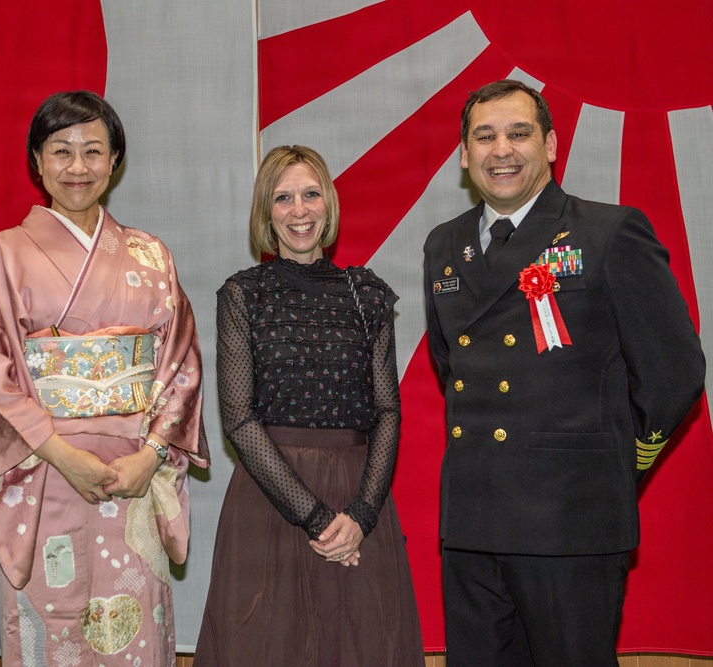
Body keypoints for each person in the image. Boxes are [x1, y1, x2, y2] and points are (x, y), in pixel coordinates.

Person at [423, 79, 706, 666]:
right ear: (464, 155)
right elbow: (451, 364)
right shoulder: (444, 245)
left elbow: (674, 372)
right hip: (472, 521)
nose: (502, 149)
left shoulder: (607, 233)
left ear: (550, 144)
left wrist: (610, 462)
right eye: (484, 137)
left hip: (570, 520)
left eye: (519, 133)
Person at [0, 90, 208, 667]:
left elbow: (181, 363)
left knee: (135, 629)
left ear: (115, 160)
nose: (78, 166)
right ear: (37, 160)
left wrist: (152, 455)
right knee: (53, 629)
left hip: (133, 477)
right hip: (43, 473)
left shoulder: (150, 255)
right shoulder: (2, 255)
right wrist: (61, 454)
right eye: (61, 151)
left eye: (94, 151)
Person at [193, 145, 424, 666]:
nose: (299, 210)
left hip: (360, 505)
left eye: (311, 194)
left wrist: (360, 516)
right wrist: (317, 518)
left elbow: (388, 411)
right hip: (269, 504)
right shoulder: (243, 294)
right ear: (265, 211)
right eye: (283, 198)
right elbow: (238, 418)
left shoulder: (367, 293)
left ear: (329, 204)